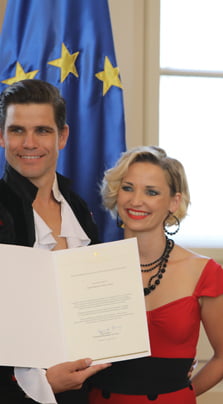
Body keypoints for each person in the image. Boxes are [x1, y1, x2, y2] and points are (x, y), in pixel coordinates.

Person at [88, 145, 223, 403]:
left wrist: (181, 392)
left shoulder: (203, 272)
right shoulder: (89, 266)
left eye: (151, 192)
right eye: (128, 188)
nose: (136, 200)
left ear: (174, 202)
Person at [0, 79, 110, 404]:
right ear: (1, 136)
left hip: (83, 388)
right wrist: (42, 383)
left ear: (62, 136)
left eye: (42, 131)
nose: (29, 143)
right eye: (17, 130)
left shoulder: (80, 209)